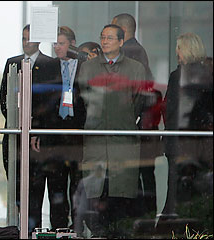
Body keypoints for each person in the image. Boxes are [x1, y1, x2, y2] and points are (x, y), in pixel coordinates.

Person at [76, 24, 146, 238]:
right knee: (95, 192)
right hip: (96, 139)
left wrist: (122, 119)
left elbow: (139, 101)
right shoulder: (88, 68)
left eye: (110, 38)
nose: (104, 41)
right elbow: (83, 100)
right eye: (102, 37)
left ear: (121, 42)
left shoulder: (135, 68)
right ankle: (99, 232)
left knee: (121, 191)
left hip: (122, 138)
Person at [0, 24, 60, 233]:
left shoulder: (51, 64)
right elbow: (4, 97)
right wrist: (17, 121)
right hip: (16, 135)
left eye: (30, 39)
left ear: (38, 41)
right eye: (23, 38)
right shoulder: (12, 63)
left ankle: (34, 231)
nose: (26, 43)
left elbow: (52, 99)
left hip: (39, 138)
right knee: (16, 187)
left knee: (35, 188)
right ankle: (18, 230)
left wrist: (36, 124)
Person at [160, 33, 213, 231]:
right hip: (201, 143)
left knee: (176, 190)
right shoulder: (208, 74)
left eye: (179, 48)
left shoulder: (179, 76)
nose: (176, 52)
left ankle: (175, 230)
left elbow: (170, 110)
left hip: (179, 142)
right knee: (199, 188)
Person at [112, 13, 161, 215]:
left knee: (139, 176)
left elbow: (131, 93)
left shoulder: (130, 52)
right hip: (143, 126)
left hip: (137, 127)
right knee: (144, 175)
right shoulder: (137, 50)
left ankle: (143, 218)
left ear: (122, 31)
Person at [46, 26, 86, 231]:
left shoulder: (85, 65)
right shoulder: (50, 66)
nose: (57, 48)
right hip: (55, 130)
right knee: (56, 182)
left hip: (78, 129)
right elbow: (42, 100)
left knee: (77, 181)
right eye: (54, 44)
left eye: (61, 43)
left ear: (72, 43)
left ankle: (77, 225)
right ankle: (58, 225)